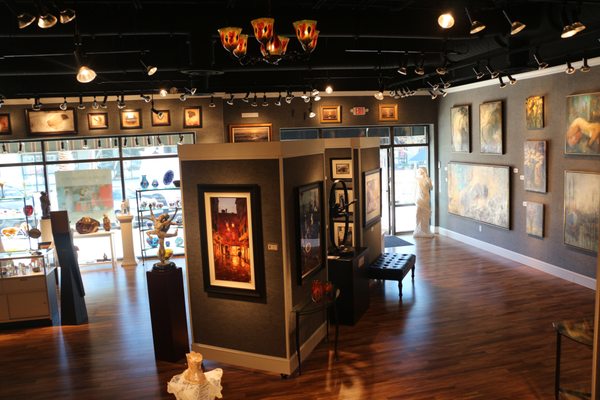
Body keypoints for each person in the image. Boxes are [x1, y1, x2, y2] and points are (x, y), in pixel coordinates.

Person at [413, 167, 434, 238]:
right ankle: (418, 229)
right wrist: (414, 198)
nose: (420, 172)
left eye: (422, 171)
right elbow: (414, 189)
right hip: (419, 199)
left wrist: (428, 181)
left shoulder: (427, 179)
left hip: (425, 198)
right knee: (418, 214)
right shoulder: (417, 179)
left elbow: (431, 188)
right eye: (419, 171)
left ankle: (425, 230)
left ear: (424, 172)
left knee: (425, 214)